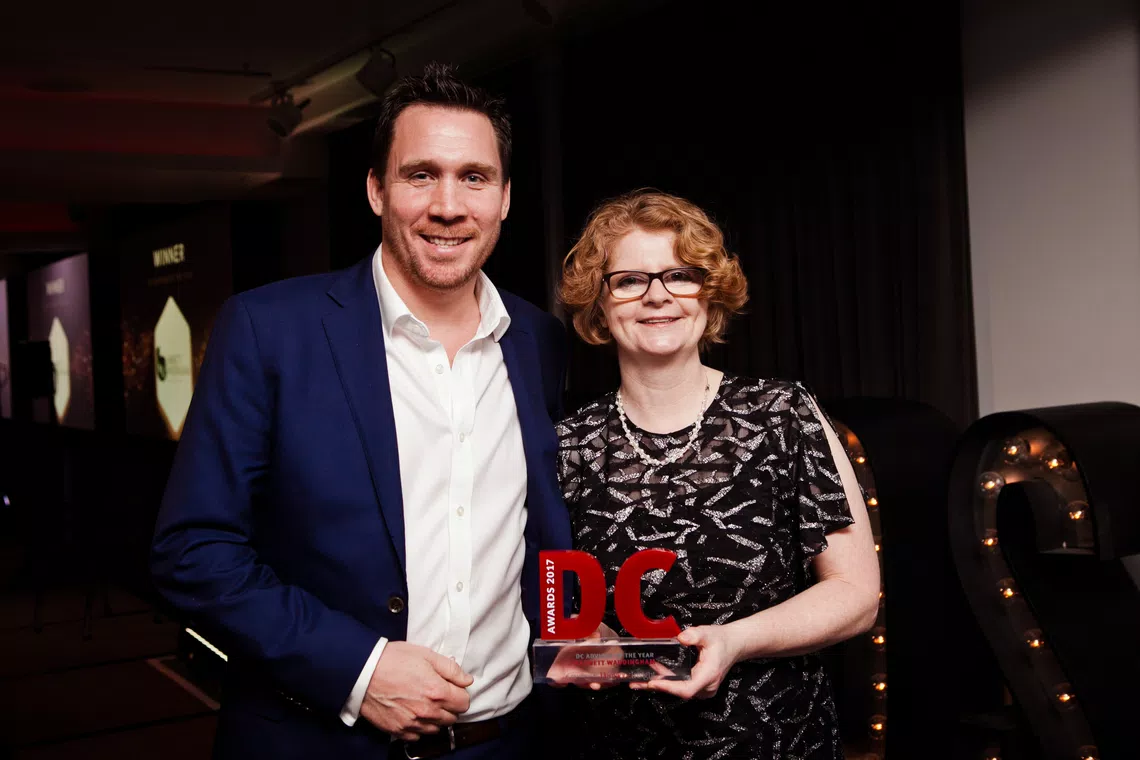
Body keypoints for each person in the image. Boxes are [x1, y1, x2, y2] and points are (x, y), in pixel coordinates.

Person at [150, 63, 570, 760]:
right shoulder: (269, 329)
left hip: (510, 743)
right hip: (319, 743)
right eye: (420, 175)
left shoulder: (539, 342)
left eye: (474, 177)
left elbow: (539, 537)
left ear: (503, 198)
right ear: (377, 190)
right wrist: (358, 668)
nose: (448, 205)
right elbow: (193, 551)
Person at [555, 190, 880, 758]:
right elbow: (561, 609)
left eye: (679, 276)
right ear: (599, 305)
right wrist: (588, 645)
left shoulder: (782, 415)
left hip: (777, 740)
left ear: (709, 294)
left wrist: (734, 641)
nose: (657, 296)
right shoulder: (568, 444)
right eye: (629, 281)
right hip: (620, 745)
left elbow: (856, 595)